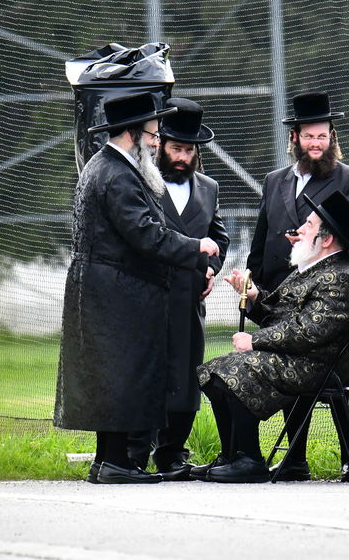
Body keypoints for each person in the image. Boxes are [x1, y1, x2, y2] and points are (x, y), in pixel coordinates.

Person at [53, 91, 222, 484]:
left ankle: (106, 461)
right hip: (115, 291)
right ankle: (116, 463)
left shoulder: (105, 166)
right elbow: (147, 235)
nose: (156, 139)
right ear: (132, 133)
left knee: (114, 373)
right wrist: (197, 246)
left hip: (105, 288)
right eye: (151, 132)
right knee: (119, 374)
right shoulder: (117, 174)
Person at [196, 189, 349, 483]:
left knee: (236, 370)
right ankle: (231, 456)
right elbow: (277, 314)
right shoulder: (313, 268)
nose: (300, 230)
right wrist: (252, 296)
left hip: (319, 365)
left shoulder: (343, 277)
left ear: (326, 239)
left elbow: (309, 330)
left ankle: (250, 460)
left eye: (310, 226)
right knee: (215, 372)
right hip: (296, 356)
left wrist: (255, 341)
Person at [244, 91, 349, 481]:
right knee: (289, 371)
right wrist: (253, 279)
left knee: (342, 379)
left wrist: (318, 237)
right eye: (309, 137)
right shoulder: (274, 181)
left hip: (328, 294)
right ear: (295, 139)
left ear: (332, 137)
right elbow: (262, 235)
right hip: (280, 292)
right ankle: (294, 459)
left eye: (323, 136)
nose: (316, 144)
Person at [127, 98, 229, 480]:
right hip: (150, 296)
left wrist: (211, 269)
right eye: (176, 148)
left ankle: (171, 453)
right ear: (161, 145)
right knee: (150, 373)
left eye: (189, 150)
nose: (183, 157)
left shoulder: (209, 187)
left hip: (189, 300)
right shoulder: (140, 182)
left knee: (188, 378)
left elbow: (218, 237)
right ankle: (136, 451)